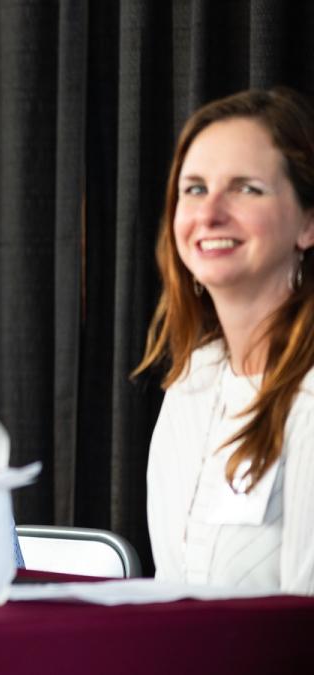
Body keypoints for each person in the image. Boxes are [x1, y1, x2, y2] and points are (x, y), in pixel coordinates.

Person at [136, 87, 314, 595]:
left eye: (246, 189)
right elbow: (172, 585)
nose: (209, 214)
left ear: (308, 222)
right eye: (193, 189)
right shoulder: (192, 380)